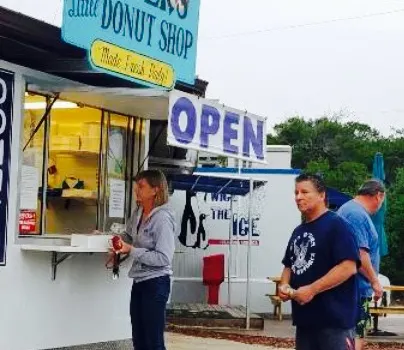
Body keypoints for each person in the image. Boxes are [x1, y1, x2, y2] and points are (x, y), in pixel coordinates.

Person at [279, 173, 360, 350]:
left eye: (305, 192)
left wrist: (312, 290)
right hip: (305, 321)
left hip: (334, 322)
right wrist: (284, 286)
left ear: (322, 195)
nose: (298, 197)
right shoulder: (298, 231)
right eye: (296, 192)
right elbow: (288, 265)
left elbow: (348, 267)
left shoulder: (337, 225)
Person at [112, 169, 175, 350]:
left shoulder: (162, 219)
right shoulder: (139, 212)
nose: (136, 191)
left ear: (155, 190)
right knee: (139, 339)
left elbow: (163, 257)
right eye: (136, 186)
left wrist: (131, 250)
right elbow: (129, 236)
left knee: (153, 342)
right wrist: (110, 240)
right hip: (139, 282)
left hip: (156, 284)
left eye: (141, 186)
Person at [337, 179, 385, 349]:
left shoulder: (349, 210)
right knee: (355, 334)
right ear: (378, 196)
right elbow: (360, 254)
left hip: (353, 287)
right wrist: (374, 281)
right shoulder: (356, 214)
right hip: (355, 287)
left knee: (355, 333)